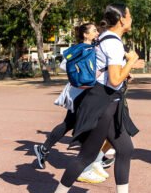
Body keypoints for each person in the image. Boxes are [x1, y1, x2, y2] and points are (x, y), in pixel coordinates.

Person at [42, 4, 148, 193]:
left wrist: (126, 69)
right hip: (101, 102)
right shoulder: (113, 43)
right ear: (121, 20)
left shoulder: (107, 39)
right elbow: (115, 80)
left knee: (126, 149)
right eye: (129, 15)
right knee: (87, 156)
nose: (131, 18)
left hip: (110, 100)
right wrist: (130, 63)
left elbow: (111, 75)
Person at [33, 23, 109, 184]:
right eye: (94, 30)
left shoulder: (92, 48)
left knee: (70, 123)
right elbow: (64, 65)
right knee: (84, 125)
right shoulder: (82, 49)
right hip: (80, 91)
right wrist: (83, 71)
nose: (97, 32)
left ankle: (44, 149)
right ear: (85, 35)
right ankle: (90, 163)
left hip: (85, 90)